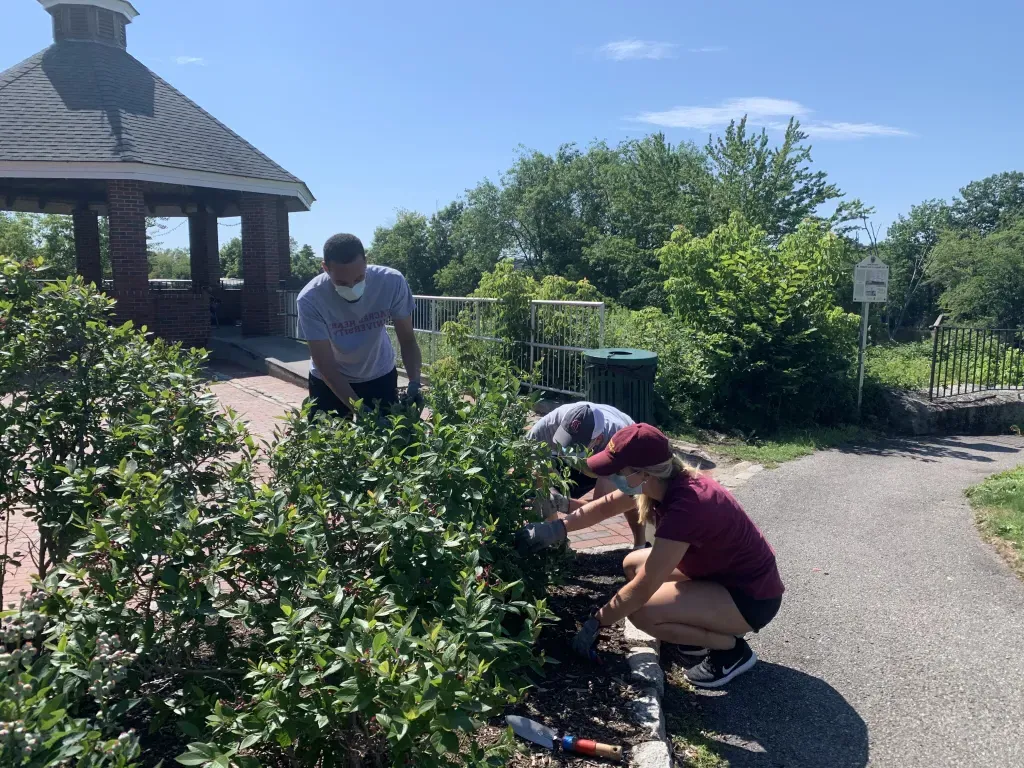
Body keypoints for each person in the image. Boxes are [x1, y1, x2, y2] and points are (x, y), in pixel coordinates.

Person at [516, 423, 784, 688]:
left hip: (750, 596)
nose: (613, 477)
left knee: (641, 613)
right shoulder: (661, 483)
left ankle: (731, 650)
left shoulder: (687, 507)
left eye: (618, 471)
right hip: (720, 573)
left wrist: (597, 621)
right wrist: (556, 528)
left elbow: (644, 587)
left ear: (643, 473)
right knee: (632, 563)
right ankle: (696, 637)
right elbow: (604, 507)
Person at [297, 233, 423, 418]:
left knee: (390, 441)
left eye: (358, 279)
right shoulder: (310, 299)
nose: (351, 288)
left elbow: (408, 340)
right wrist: (362, 411)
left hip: (380, 375)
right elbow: (325, 364)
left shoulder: (391, 282)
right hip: (330, 382)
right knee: (330, 443)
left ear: (366, 262)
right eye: (341, 282)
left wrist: (414, 383)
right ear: (325, 268)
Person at [527, 402, 646, 549]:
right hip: (573, 458)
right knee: (537, 473)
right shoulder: (550, 424)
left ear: (598, 438)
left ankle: (640, 543)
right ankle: (555, 545)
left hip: (609, 454)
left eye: (576, 446)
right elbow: (523, 459)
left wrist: (562, 504)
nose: (568, 448)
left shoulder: (619, 440)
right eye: (566, 440)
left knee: (630, 493)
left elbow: (602, 506)